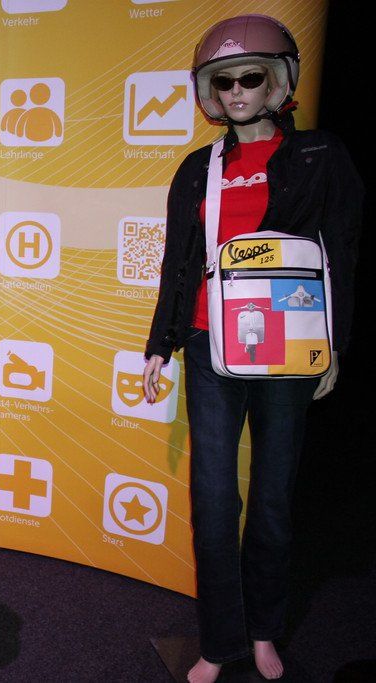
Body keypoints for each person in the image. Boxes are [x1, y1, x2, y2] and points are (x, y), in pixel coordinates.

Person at [141, 14, 362, 683]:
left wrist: (334, 346)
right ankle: (220, 640)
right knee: (214, 501)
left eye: (250, 77)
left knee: (271, 498)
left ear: (277, 83)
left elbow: (340, 252)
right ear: (210, 92)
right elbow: (179, 262)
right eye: (224, 81)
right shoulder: (198, 169)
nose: (237, 91)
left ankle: (265, 629)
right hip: (211, 344)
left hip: (289, 347)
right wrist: (160, 344)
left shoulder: (320, 156)